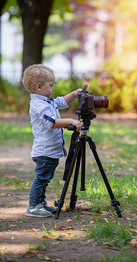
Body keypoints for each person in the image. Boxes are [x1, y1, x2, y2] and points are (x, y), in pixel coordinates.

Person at [22, 64, 82, 217]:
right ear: (39, 86)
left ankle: (40, 203)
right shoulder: (39, 105)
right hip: (45, 151)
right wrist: (71, 121)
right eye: (51, 85)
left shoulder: (48, 101)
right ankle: (33, 206)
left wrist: (74, 94)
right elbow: (52, 122)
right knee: (41, 179)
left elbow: (62, 101)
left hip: (50, 151)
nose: (54, 88)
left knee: (45, 179)